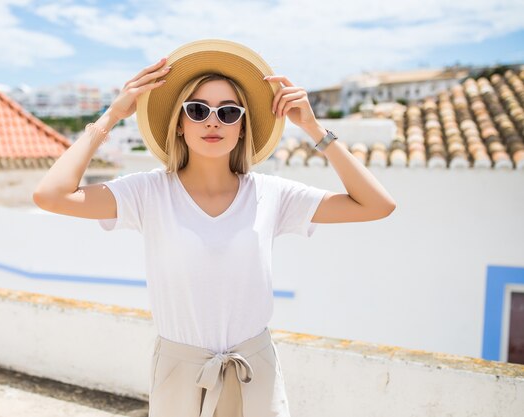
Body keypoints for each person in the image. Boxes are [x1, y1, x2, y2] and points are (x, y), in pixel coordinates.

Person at [33, 39, 396, 417]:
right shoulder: (148, 192)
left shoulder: (271, 194)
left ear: (242, 127)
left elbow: (377, 205)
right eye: (197, 109)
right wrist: (111, 115)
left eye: (228, 112)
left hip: (255, 375)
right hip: (178, 377)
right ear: (179, 125)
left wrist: (315, 130)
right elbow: (51, 195)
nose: (212, 120)